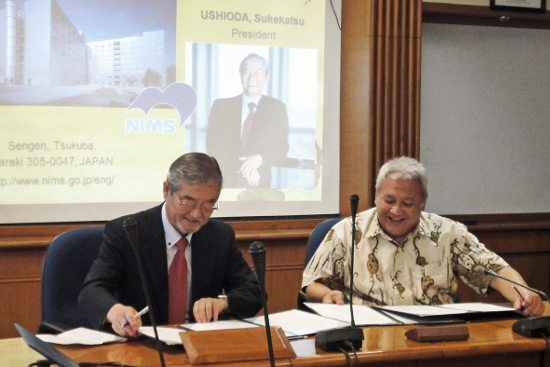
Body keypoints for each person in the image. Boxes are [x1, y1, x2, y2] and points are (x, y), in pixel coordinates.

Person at [302, 156, 544, 317]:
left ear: (423, 203)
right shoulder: (346, 231)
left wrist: (524, 294)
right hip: (367, 337)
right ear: (376, 196)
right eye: (389, 201)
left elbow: (494, 270)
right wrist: (327, 294)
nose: (396, 211)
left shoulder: (449, 233)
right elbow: (311, 284)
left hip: (437, 337)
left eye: (408, 203)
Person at [78, 153, 262, 337]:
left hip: (197, 346)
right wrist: (115, 312)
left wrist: (223, 302)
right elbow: (92, 291)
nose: (197, 214)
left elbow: (254, 291)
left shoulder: (220, 236)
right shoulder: (128, 232)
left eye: (208, 206)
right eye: (188, 201)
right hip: (141, 345)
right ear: (167, 190)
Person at [206, 53, 289, 189]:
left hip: (259, 184)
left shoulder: (277, 108)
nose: (251, 78)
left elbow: (282, 147)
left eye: (257, 72)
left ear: (266, 77)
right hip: (225, 183)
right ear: (240, 76)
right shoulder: (221, 107)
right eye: (246, 72)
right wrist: (245, 168)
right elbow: (212, 146)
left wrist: (259, 158)